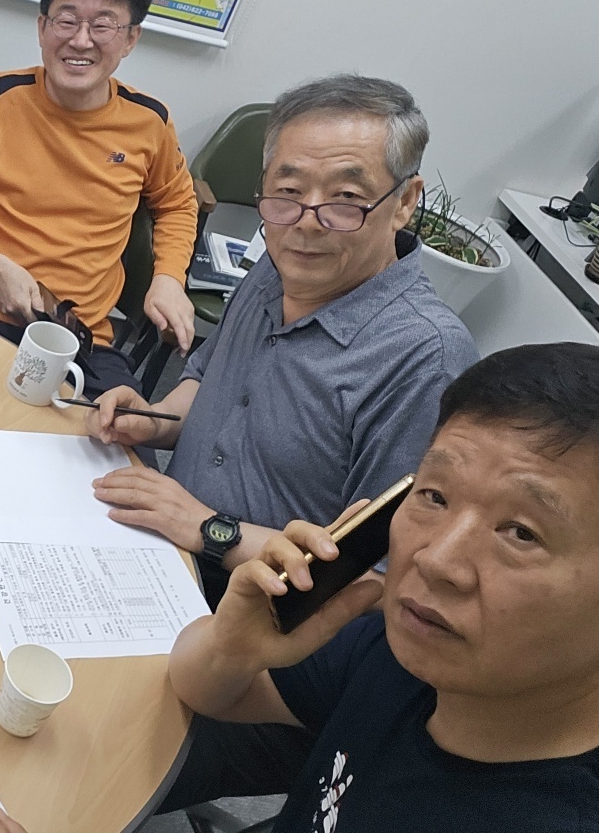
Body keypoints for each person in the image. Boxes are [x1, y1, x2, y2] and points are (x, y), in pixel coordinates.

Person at [167, 343, 599, 831]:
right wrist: (233, 648)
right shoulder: (398, 657)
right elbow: (205, 690)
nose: (435, 560)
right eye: (435, 496)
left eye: (521, 532)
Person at [86, 75, 477, 603]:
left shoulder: (426, 359)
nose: (307, 223)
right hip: (153, 543)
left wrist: (208, 529)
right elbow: (208, 380)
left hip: (249, 610)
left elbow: (379, 579)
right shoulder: (282, 263)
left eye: (346, 199)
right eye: (288, 192)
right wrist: (153, 420)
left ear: (405, 201)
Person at [0, 0, 198, 396]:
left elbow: (178, 204)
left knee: (122, 435)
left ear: (130, 38)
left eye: (103, 25)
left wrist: (168, 279)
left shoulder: (149, 122)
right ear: (43, 27)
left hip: (82, 340)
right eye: (67, 20)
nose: (81, 40)